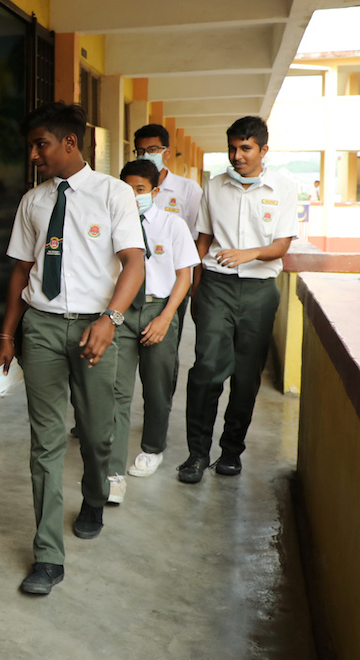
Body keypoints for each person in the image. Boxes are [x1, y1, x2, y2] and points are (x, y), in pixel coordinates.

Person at [0, 102, 144, 595]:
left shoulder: (113, 193)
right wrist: (7, 335)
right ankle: (47, 556)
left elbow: (134, 264)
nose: (34, 154)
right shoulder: (33, 201)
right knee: (46, 441)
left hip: (95, 328)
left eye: (41, 144)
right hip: (41, 326)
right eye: (32, 145)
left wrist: (110, 320)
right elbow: (21, 270)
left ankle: (96, 496)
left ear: (69, 143)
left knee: (99, 433)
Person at [179, 115, 298, 484]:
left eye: (245, 148)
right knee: (205, 373)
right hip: (216, 286)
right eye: (232, 148)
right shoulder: (214, 187)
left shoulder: (284, 188)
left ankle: (231, 452)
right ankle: (197, 454)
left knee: (246, 378)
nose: (237, 155)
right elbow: (202, 240)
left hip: (260, 292)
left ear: (263, 149)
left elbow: (282, 245)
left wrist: (249, 254)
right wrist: (195, 289)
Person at [108, 159, 199, 499]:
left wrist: (165, 318)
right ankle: (113, 466)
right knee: (116, 388)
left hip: (159, 308)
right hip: (122, 310)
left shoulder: (171, 225)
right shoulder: (112, 225)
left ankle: (152, 449)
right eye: (127, 189)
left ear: (155, 191)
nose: (133, 196)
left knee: (157, 387)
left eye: (141, 190)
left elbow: (184, 277)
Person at [133, 124, 204, 394]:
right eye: (140, 150)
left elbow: (199, 240)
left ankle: (160, 405)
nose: (145, 155)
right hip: (132, 282)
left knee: (165, 351)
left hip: (173, 285)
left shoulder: (187, 190)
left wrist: (193, 287)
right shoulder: (127, 188)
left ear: (166, 152)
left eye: (152, 149)